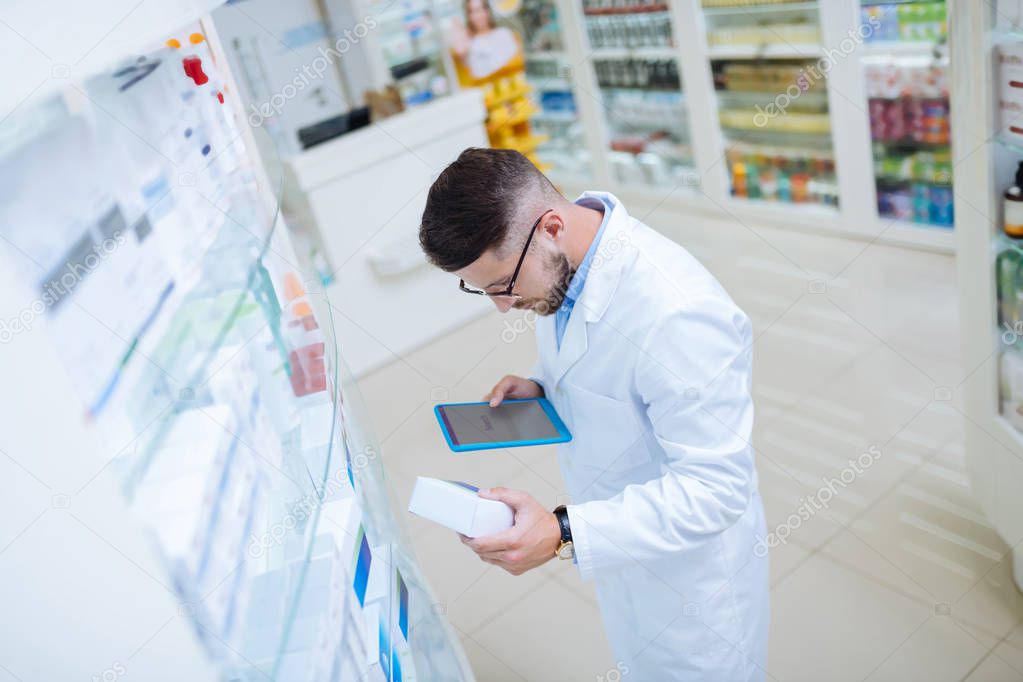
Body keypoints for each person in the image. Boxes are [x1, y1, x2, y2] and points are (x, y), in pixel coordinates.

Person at [418, 148, 769, 681]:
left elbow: (717, 488)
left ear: (551, 227)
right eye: (483, 291)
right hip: (628, 554)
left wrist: (563, 531)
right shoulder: (564, 267)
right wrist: (544, 383)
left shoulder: (678, 313)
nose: (503, 307)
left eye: (503, 287)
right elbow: (603, 362)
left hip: (694, 591)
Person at [448, 0, 521, 80]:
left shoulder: (504, 33)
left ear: (487, 10)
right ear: (468, 17)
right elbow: (460, 51)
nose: (477, 16)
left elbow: (519, 61)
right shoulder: (470, 44)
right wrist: (457, 24)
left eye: (479, 9)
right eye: (472, 12)